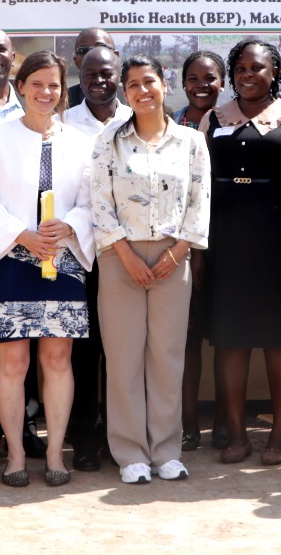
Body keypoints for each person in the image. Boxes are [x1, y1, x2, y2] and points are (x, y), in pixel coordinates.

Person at [0, 50, 96, 487]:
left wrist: (69, 226)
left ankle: (57, 452)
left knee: (59, 358)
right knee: (13, 360)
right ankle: (17, 454)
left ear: (63, 92)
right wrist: (23, 236)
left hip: (61, 261)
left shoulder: (81, 142)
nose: (47, 92)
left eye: (55, 85)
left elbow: (89, 204)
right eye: (38, 83)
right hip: (11, 259)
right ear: (21, 85)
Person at [91, 55, 210, 484]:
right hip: (119, 258)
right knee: (123, 360)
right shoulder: (110, 141)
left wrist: (175, 254)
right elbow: (99, 204)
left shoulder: (191, 142)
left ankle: (166, 451)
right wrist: (125, 254)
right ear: (124, 92)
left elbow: (200, 204)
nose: (143, 91)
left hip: (172, 260)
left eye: (150, 82)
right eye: (134, 85)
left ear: (165, 85)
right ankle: (131, 455)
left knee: (166, 358)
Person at [201, 39, 281, 465]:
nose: (249, 75)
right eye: (241, 69)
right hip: (225, 246)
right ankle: (236, 435)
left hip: (279, 247)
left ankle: (279, 436)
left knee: (278, 341)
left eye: (258, 68)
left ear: (274, 73)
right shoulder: (214, 120)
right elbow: (200, 189)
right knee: (230, 341)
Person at [60, 45, 130, 469]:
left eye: (106, 73)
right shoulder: (65, 122)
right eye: (90, 74)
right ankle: (85, 439)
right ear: (79, 76)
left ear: (119, 74)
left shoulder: (135, 118)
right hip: (82, 254)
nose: (98, 81)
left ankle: (121, 439)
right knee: (84, 352)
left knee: (121, 352)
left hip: (127, 254)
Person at [175, 50, 225, 449]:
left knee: (227, 336)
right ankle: (188, 423)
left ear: (222, 82)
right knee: (187, 339)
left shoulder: (231, 121)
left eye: (210, 78)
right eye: (193, 78)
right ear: (182, 83)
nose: (202, 85)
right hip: (185, 245)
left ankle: (227, 421)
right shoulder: (172, 125)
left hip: (230, 241)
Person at [66, 28, 117, 108]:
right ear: (76, 61)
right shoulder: (61, 103)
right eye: (84, 50)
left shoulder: (133, 99)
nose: (93, 54)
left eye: (100, 47)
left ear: (116, 56)